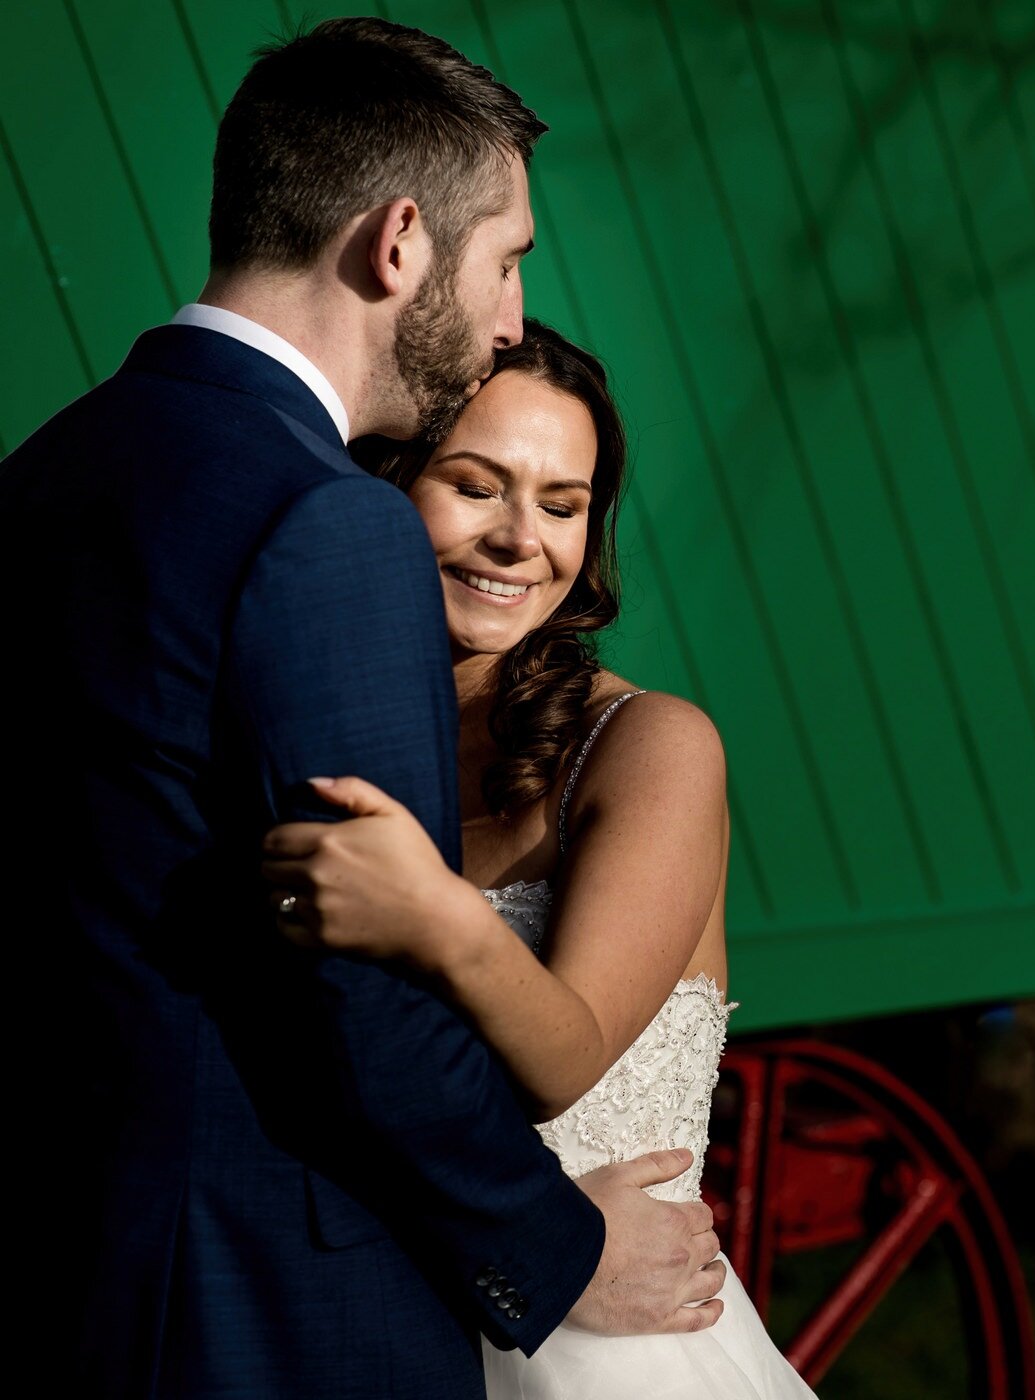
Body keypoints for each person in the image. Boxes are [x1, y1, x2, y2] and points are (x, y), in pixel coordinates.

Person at [3, 20, 722, 1395]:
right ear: (399, 243)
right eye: (506, 258)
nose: (512, 315)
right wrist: (558, 1251)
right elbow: (360, 1004)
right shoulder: (325, 522)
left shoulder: (44, 471)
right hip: (270, 1304)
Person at [263, 318, 817, 1398]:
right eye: (477, 486)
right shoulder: (318, 730)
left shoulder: (651, 747)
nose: (523, 538)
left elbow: (564, 1057)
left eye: (562, 505)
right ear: (387, 485)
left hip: (619, 1356)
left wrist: (437, 912)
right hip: (385, 1318)